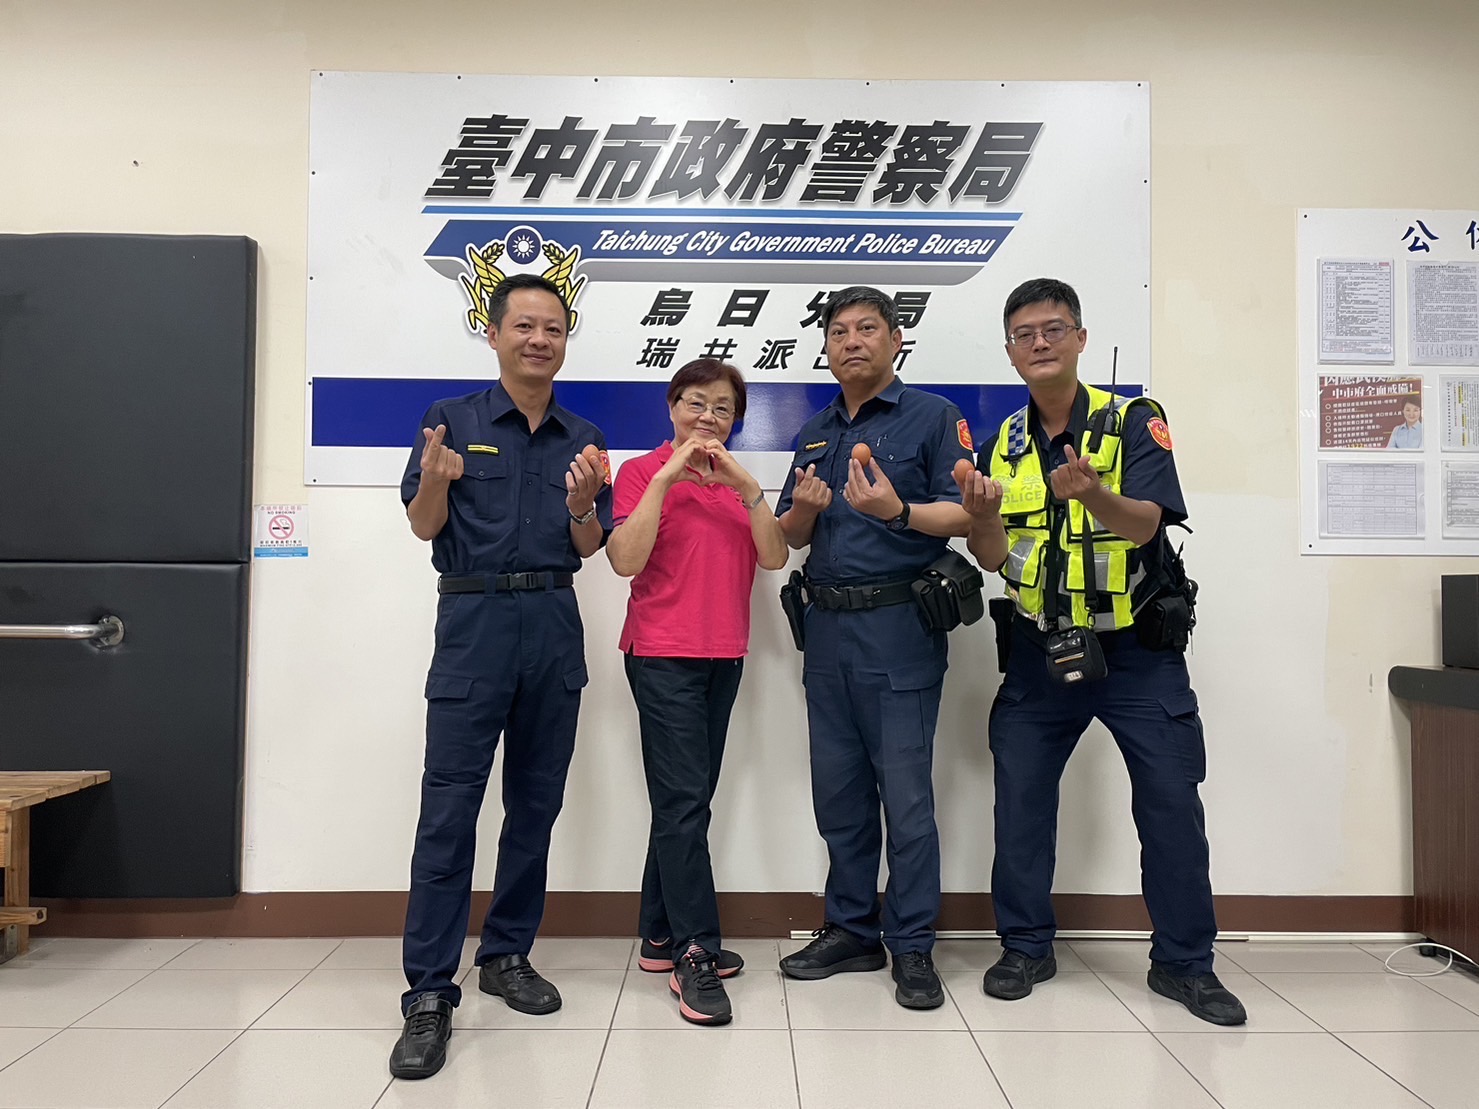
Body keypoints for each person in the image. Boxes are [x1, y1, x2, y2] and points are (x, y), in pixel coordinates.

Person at [961, 276, 1246, 1026]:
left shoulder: (1132, 422)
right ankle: (1025, 947)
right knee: (1020, 804)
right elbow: (991, 556)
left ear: (1080, 338)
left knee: (1170, 804)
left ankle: (1184, 964)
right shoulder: (1002, 443)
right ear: (1010, 351)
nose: (1039, 343)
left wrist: (1090, 494)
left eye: (1053, 329)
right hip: (1039, 650)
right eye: (1024, 334)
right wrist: (980, 516)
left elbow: (1147, 524)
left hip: (1136, 653)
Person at [389, 273, 614, 1079]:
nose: (539, 339)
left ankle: (507, 953)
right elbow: (424, 526)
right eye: (524, 325)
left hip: (551, 622)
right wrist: (437, 481)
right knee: (449, 809)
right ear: (492, 333)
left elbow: (591, 545)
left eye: (553, 327)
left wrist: (584, 505)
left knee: (534, 804)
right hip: (473, 623)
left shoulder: (583, 435)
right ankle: (428, 990)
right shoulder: (450, 419)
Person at [773, 286, 972, 1010]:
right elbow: (789, 533)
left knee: (906, 797)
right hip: (826, 631)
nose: (851, 341)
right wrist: (803, 512)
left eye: (866, 328)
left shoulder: (932, 417)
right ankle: (852, 929)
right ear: (825, 346)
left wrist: (898, 510)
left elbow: (965, 511)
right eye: (838, 331)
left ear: (895, 340)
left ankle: (911, 943)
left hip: (897, 628)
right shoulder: (814, 430)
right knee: (839, 793)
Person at [606, 358, 789, 1026]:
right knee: (684, 803)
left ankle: (659, 934)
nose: (707, 417)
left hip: (724, 655)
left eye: (722, 408)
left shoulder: (738, 483)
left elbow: (774, 556)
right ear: (671, 406)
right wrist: (666, 477)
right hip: (661, 655)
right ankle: (694, 950)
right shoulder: (638, 473)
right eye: (694, 403)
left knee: (685, 801)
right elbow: (623, 559)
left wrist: (748, 489)